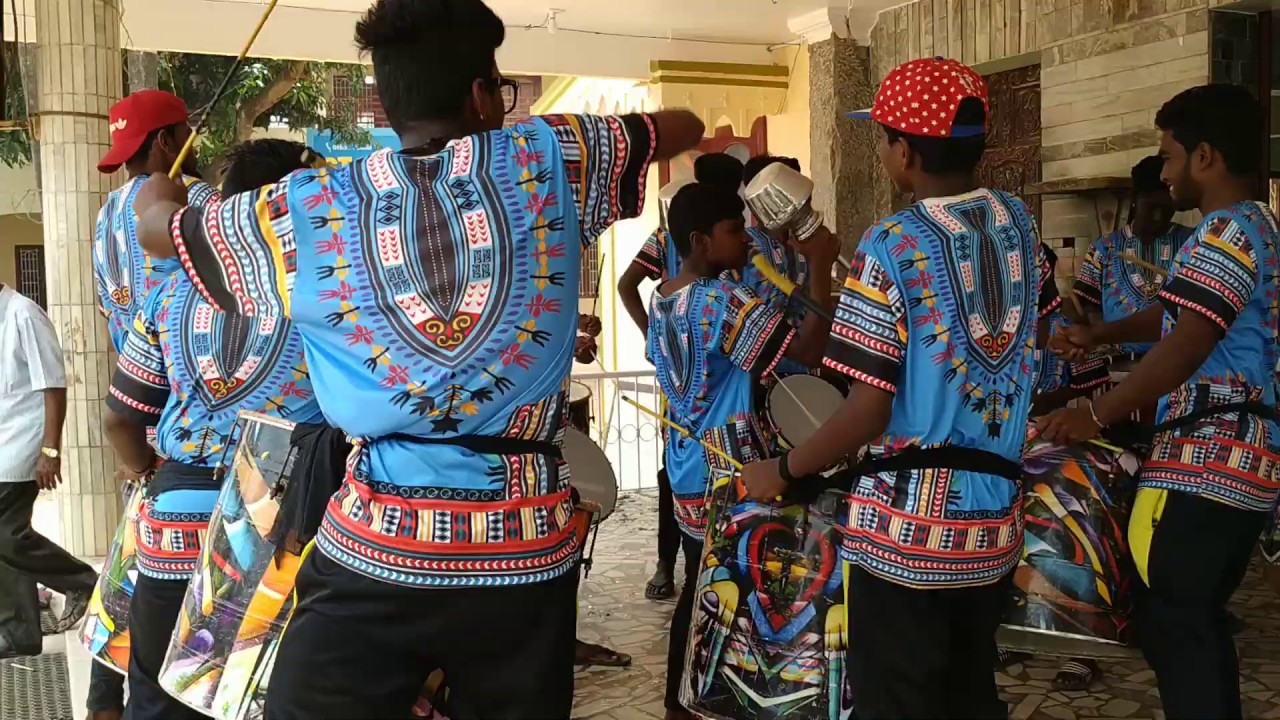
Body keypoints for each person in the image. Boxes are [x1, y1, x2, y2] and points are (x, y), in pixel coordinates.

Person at [130, 0, 705, 716]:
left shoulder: (304, 206)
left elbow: (158, 229)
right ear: (479, 92)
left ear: (388, 95)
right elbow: (686, 127)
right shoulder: (554, 157)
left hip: (376, 542)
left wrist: (161, 190)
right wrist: (534, 135)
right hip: (522, 547)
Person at [740, 57, 1059, 718]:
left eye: (883, 138)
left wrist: (786, 466)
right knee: (971, 693)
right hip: (994, 524)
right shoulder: (1020, 227)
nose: (884, 150)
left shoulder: (891, 244)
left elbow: (868, 407)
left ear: (905, 151)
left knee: (900, 702)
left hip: (906, 536)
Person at [1037, 84, 1280, 720]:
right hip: (1245, 457)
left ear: (1205, 157)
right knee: (1191, 618)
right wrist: (1101, 333)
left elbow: (1190, 342)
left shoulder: (1227, 231)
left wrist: (1094, 413)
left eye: (1169, 156)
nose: (1164, 172)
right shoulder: (1259, 227)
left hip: (1208, 456)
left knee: (1175, 617)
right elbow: (1181, 314)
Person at [103, 138, 324, 720]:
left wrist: (146, 470)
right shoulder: (320, 297)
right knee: (264, 697)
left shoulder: (170, 293)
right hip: (280, 521)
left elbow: (121, 416)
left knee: (156, 696)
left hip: (176, 509)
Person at [650, 181, 837, 720]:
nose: (747, 239)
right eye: (735, 230)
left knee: (700, 588)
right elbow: (807, 349)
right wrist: (820, 265)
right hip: (734, 471)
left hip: (686, 467)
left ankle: (680, 704)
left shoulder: (665, 295)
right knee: (740, 592)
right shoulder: (719, 299)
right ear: (700, 239)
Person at [88, 88, 219, 720]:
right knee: (205, 632)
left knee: (136, 578)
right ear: (172, 139)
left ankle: (103, 696)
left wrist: (134, 450)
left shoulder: (105, 215)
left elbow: (114, 314)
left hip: (138, 408)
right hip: (201, 416)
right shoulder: (204, 206)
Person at [0, 284, 98, 660]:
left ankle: (81, 579)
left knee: (6, 537)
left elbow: (54, 384)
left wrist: (50, 450)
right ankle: (18, 631)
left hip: (21, 446)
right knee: (7, 543)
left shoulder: (24, 313)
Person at [1067, 154, 1193, 398]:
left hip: (1176, 373)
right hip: (1117, 374)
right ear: (1135, 201)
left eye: (1165, 209)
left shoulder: (1191, 242)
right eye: (1151, 207)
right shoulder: (1105, 249)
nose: (1157, 217)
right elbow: (1083, 310)